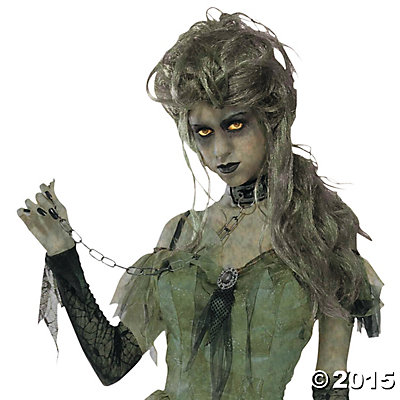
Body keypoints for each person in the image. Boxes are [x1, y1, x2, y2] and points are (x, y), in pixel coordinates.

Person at [17, 10, 383, 400]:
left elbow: (331, 382)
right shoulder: (180, 234)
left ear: (271, 119)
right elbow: (113, 362)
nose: (219, 150)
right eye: (204, 132)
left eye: (235, 125)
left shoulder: (320, 227)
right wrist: (62, 253)